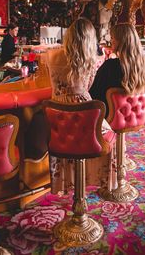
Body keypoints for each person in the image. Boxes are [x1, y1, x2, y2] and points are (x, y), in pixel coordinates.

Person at [45, 18, 112, 194]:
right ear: (91, 39)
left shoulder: (51, 55)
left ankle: (68, 182)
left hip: (57, 116)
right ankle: (94, 180)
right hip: (84, 114)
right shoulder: (94, 61)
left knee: (72, 142)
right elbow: (86, 90)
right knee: (111, 134)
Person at [90, 22, 145, 117]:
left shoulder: (111, 66)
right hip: (135, 115)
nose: (110, 41)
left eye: (112, 38)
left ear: (121, 41)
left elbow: (94, 95)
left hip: (110, 117)